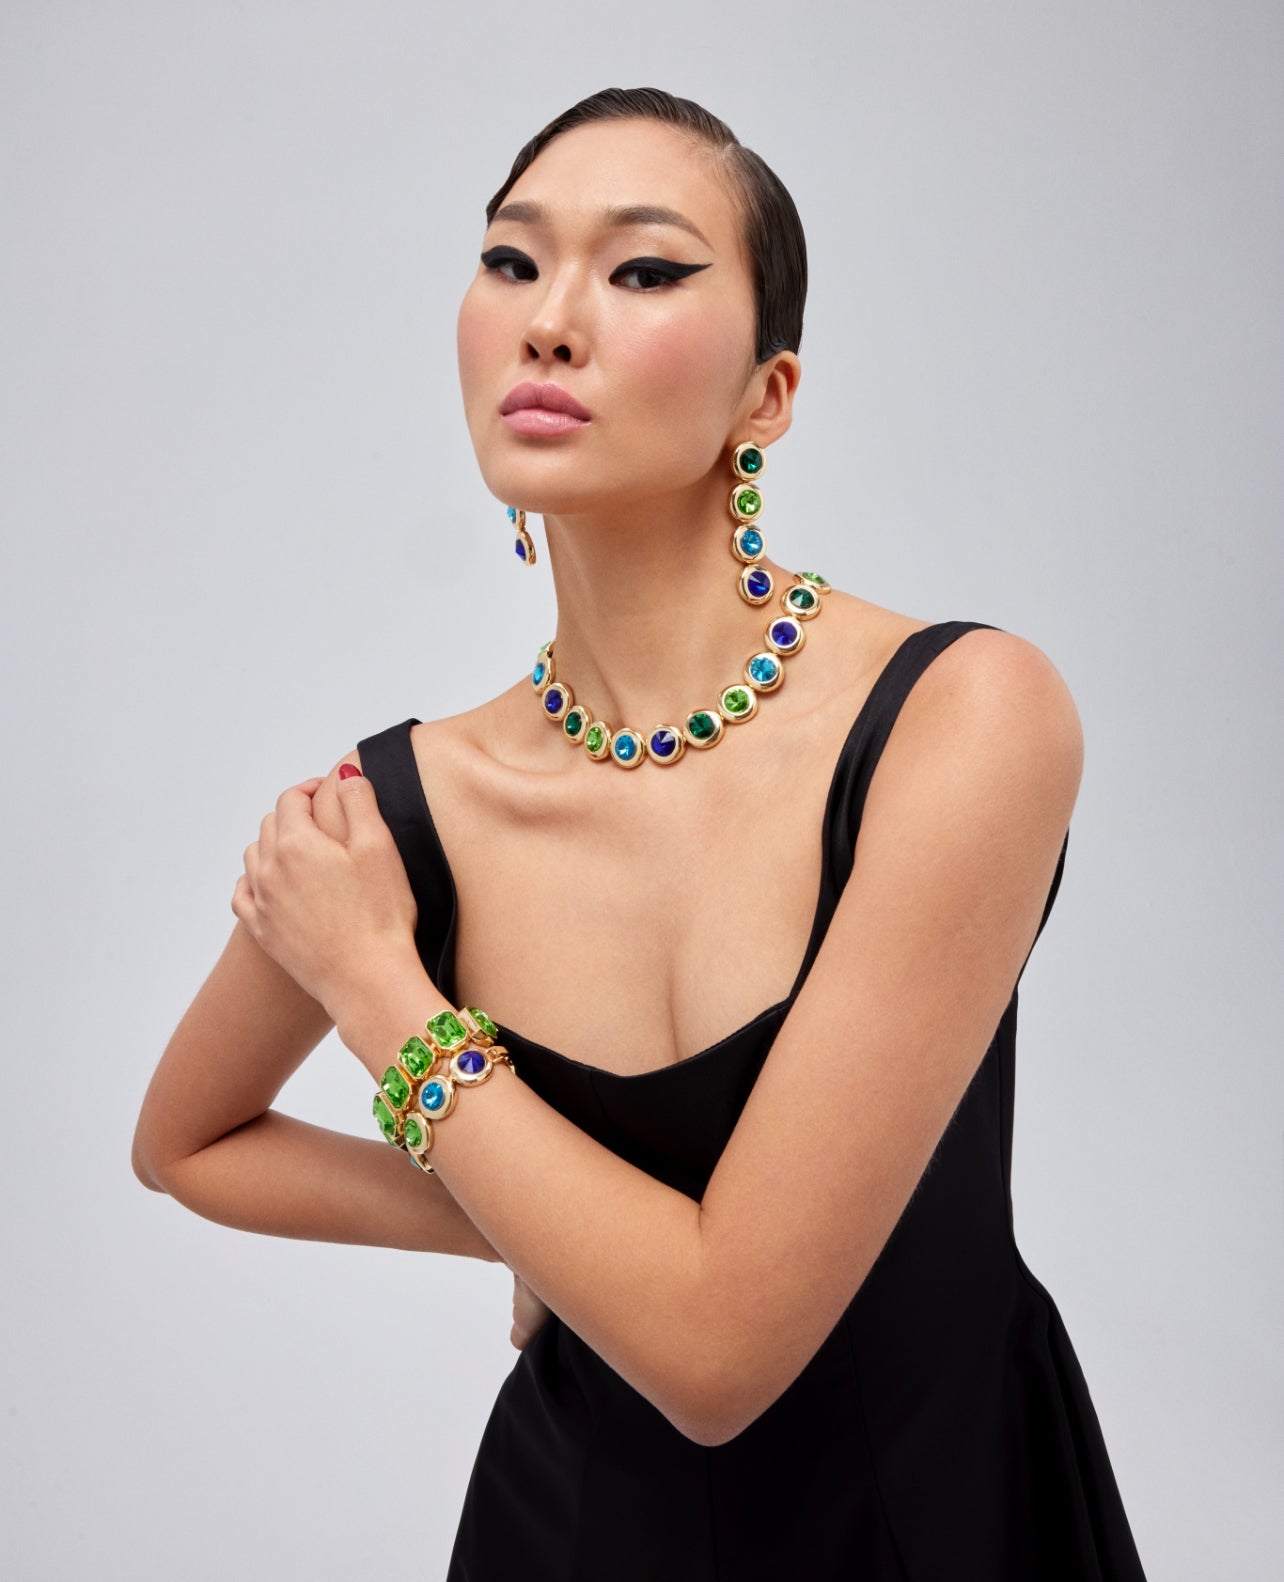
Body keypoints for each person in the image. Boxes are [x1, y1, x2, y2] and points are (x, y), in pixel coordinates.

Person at [132, 87, 1147, 1580]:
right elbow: (185, 1143)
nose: (550, 322)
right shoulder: (411, 801)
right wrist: (525, 1231)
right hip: (569, 1536)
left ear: (767, 395)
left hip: (943, 1524)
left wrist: (380, 991)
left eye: (646, 269)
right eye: (511, 261)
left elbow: (719, 1350)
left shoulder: (964, 715)